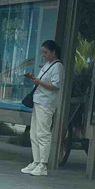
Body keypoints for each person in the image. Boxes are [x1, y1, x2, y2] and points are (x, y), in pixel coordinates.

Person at [22, 40, 63, 177]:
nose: (44, 55)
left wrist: (38, 81)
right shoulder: (47, 65)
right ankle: (36, 161)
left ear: (53, 52)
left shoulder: (58, 66)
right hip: (38, 101)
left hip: (46, 103)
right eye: (42, 52)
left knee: (43, 133)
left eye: (46, 52)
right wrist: (35, 79)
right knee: (34, 133)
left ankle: (43, 164)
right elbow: (43, 81)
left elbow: (56, 85)